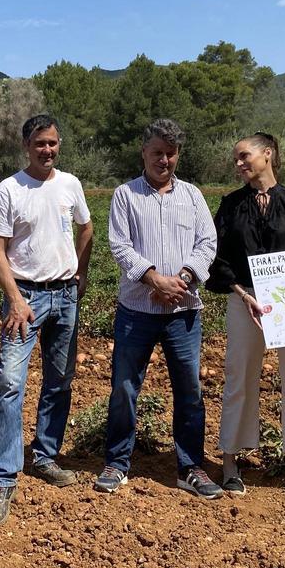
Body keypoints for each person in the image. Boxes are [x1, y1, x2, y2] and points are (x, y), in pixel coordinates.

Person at [95, 119, 221, 498]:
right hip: (137, 311)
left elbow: (207, 244)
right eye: (157, 153)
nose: (163, 160)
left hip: (183, 312)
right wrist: (154, 279)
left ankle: (190, 467)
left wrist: (181, 279)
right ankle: (117, 463)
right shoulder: (125, 196)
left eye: (170, 153)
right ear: (144, 153)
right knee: (124, 388)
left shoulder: (193, 196)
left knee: (189, 391)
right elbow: (120, 246)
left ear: (177, 155)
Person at [0, 114, 94, 528]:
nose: (48, 150)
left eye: (54, 143)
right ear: (27, 146)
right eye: (41, 143)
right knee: (11, 383)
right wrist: (14, 299)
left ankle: (44, 457)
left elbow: (87, 228)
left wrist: (81, 275)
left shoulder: (70, 184)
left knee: (60, 379)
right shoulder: (9, 189)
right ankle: (4, 478)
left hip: (65, 295)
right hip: (25, 298)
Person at [206, 132, 285, 507]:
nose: (239, 163)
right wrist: (244, 295)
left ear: (267, 155)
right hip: (246, 302)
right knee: (239, 376)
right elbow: (218, 259)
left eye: (244, 156)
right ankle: (230, 459)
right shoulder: (230, 206)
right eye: (236, 159)